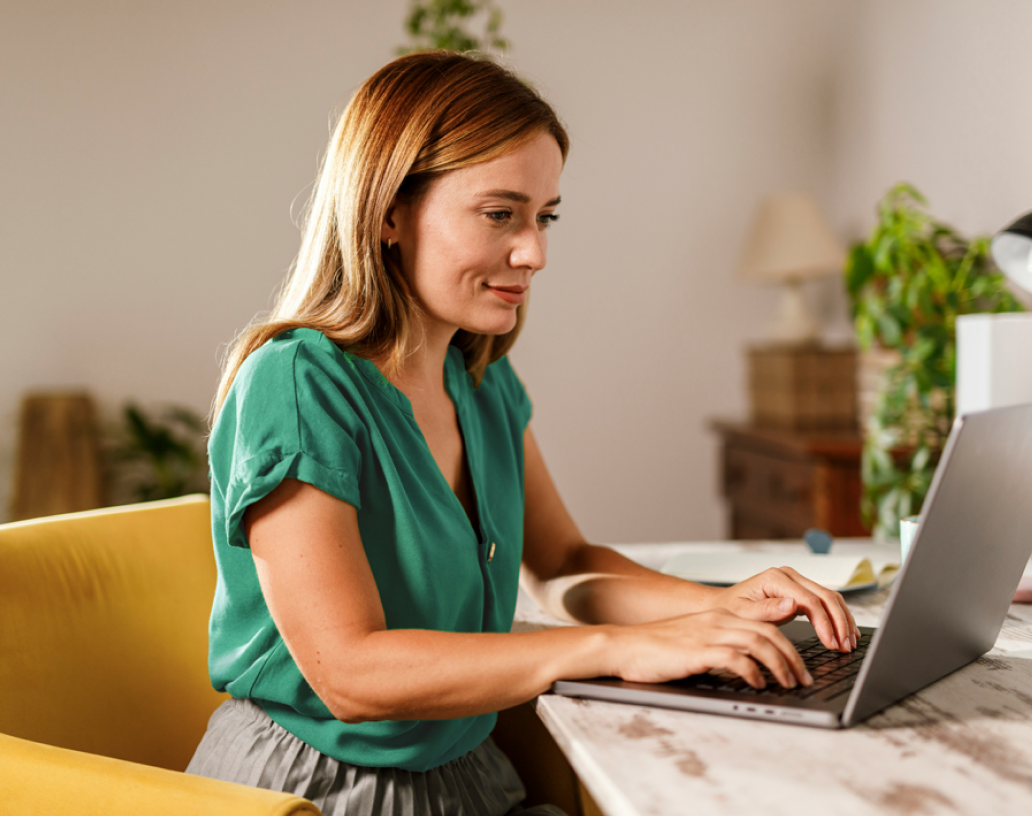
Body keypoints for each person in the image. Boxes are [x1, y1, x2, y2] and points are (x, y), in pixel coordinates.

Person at [187, 51, 858, 816]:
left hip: (470, 771)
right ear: (388, 213)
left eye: (544, 217)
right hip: (314, 791)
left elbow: (564, 563)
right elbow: (349, 673)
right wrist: (617, 648)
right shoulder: (297, 383)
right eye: (500, 214)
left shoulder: (481, 379)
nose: (534, 252)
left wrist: (720, 610)